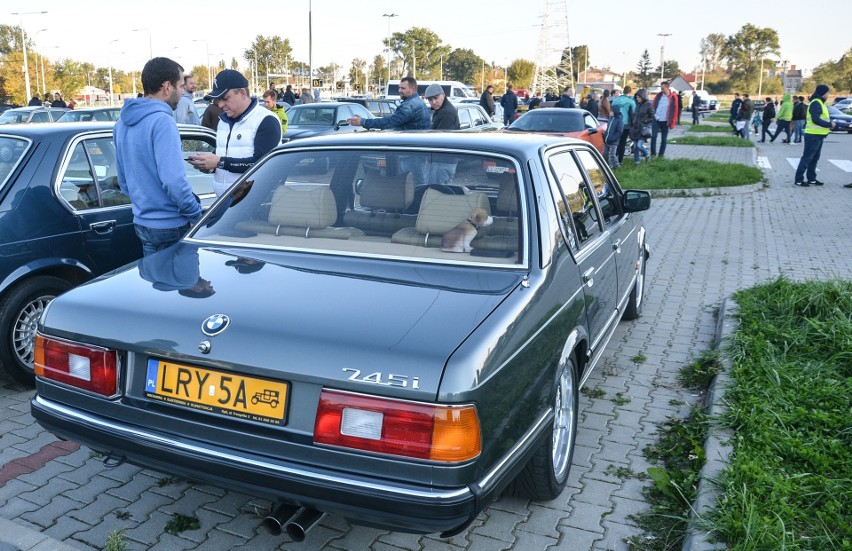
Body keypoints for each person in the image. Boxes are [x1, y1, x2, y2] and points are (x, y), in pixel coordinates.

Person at [114, 57, 203, 256]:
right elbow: (173, 181)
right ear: (167, 86)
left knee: (158, 284)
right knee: (183, 283)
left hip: (142, 222)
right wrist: (195, 214)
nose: (182, 92)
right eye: (180, 86)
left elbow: (124, 181)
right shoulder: (163, 122)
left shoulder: (121, 123)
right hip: (171, 224)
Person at [186, 69, 282, 197]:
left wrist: (220, 162)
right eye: (218, 100)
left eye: (225, 98)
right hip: (224, 202)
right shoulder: (223, 122)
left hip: (255, 201)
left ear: (242, 93)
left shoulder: (265, 120)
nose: (220, 104)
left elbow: (263, 163)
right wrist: (208, 164)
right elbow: (227, 156)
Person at [347, 76, 430, 131]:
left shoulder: (410, 105)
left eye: (403, 88)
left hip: (409, 152)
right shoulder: (418, 103)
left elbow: (390, 122)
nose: (399, 91)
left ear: (413, 90)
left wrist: (363, 122)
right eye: (399, 88)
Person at [794, 84, 835, 187]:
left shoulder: (820, 102)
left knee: (814, 158)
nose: (828, 94)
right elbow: (815, 119)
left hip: (819, 135)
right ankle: (799, 180)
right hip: (813, 135)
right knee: (807, 158)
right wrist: (829, 124)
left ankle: (811, 178)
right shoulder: (816, 103)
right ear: (823, 93)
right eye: (827, 92)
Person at [425, 83, 460, 184]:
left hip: (443, 161)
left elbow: (441, 141)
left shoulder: (446, 113)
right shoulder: (442, 110)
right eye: (430, 100)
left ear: (443, 95)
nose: (433, 102)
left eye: (436, 98)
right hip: (446, 160)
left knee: (437, 192)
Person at [650, 81, 679, 157]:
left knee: (664, 139)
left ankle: (661, 155)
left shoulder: (673, 97)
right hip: (656, 118)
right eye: (661, 88)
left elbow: (675, 111)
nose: (661, 90)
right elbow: (653, 105)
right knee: (653, 136)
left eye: (663, 88)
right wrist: (652, 115)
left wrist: (673, 123)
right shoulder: (658, 95)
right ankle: (653, 154)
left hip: (665, 121)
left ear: (667, 88)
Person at [611, 86, 635, 163]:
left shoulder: (615, 100)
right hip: (625, 124)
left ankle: (612, 159)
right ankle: (620, 161)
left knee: (615, 142)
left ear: (623, 91)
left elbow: (612, 111)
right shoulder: (631, 101)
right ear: (630, 92)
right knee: (622, 142)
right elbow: (634, 112)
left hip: (615, 123)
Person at [630, 88, 654, 164]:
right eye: (636, 97)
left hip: (643, 129)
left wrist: (645, 121)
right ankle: (637, 162)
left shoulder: (648, 105)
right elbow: (635, 115)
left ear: (643, 96)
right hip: (635, 128)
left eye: (639, 97)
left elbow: (652, 117)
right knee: (635, 147)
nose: (637, 99)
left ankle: (647, 154)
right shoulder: (637, 105)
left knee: (639, 145)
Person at [603, 104, 623, 168]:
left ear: (615, 112)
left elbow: (619, 131)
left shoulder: (619, 120)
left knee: (612, 155)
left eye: (611, 111)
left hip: (613, 142)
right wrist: (605, 135)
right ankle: (607, 166)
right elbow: (608, 128)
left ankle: (617, 166)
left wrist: (613, 138)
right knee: (605, 154)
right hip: (607, 140)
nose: (610, 112)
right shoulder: (611, 118)